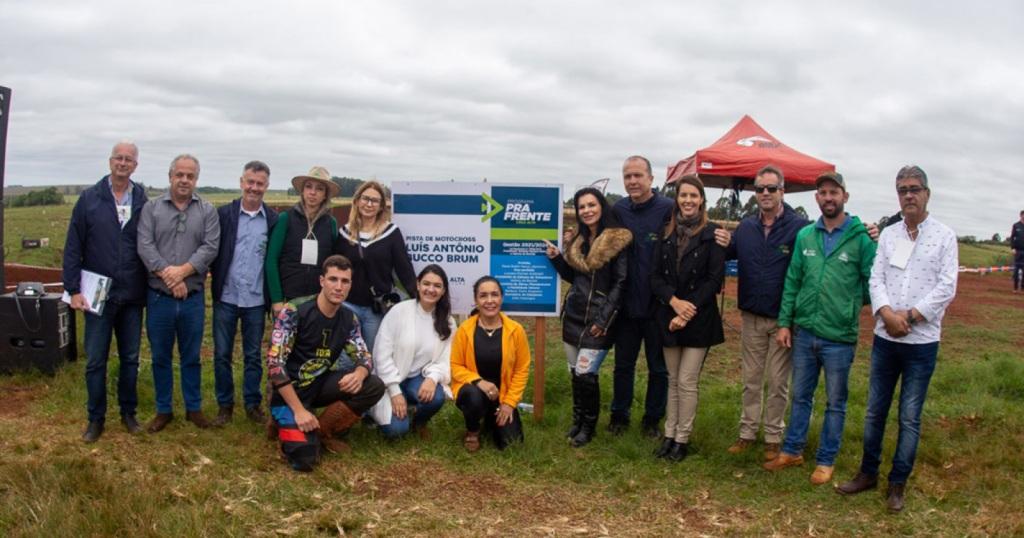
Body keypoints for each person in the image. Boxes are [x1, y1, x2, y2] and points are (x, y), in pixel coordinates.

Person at [837, 165, 958, 512]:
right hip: (885, 338)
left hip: (921, 343)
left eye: (914, 189)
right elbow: (875, 279)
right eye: (902, 189)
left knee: (909, 416)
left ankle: (897, 483)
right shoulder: (889, 235)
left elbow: (946, 286)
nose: (908, 195)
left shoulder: (944, 236)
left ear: (927, 194)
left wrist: (911, 316)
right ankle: (868, 473)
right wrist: (887, 314)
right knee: (875, 411)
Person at [763, 171, 876, 485]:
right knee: (800, 396)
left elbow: (872, 283)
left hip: (839, 337)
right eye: (823, 193)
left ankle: (826, 459)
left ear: (845, 197)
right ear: (817, 198)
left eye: (834, 192)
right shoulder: (806, 237)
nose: (828, 198)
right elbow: (793, 282)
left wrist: (849, 304)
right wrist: (785, 322)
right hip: (805, 332)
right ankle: (792, 450)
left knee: (835, 402)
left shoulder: (861, 239)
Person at [714, 166, 810, 462]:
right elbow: (725, 255)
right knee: (751, 379)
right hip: (752, 316)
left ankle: (772, 436)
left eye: (771, 188)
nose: (765, 194)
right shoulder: (745, 227)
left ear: (782, 191)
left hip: (783, 320)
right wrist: (717, 240)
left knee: (778, 381)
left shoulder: (799, 228)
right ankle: (746, 433)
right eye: (760, 189)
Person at [266, 255, 386, 472]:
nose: (338, 287)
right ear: (322, 281)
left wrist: (359, 374)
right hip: (288, 392)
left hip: (318, 384)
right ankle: (282, 423)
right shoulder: (294, 311)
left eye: (345, 281)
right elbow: (275, 366)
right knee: (305, 460)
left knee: (373, 385)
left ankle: (323, 431)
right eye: (333, 279)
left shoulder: (349, 319)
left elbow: (364, 357)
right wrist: (299, 410)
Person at [63, 140, 149, 442]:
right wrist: (72, 289)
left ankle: (128, 413)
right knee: (96, 360)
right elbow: (73, 246)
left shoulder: (142, 199)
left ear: (135, 166)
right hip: (98, 295)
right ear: (110, 161)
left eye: (129, 159)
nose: (123, 163)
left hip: (132, 294)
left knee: (130, 358)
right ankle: (95, 419)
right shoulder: (89, 199)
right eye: (118, 158)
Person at [136, 154, 220, 432]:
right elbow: (145, 246)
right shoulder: (152, 208)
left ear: (197, 179)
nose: (184, 180)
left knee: (191, 356)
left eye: (190, 176)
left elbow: (210, 248)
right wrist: (171, 278)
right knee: (160, 356)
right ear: (170, 176)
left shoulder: (207, 211)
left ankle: (193, 408)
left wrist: (182, 272)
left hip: (192, 299)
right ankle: (163, 410)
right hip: (159, 298)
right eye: (179, 175)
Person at [545, 187, 632, 447]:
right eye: (582, 207)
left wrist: (603, 320)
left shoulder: (618, 240)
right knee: (575, 373)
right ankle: (578, 421)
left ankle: (589, 427)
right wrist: (558, 259)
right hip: (573, 315)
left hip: (599, 319)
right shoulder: (578, 241)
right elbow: (575, 278)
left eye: (591, 205)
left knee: (586, 372)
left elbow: (621, 283)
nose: (587, 210)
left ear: (602, 206)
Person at [649, 175, 726, 461]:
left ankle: (682, 439)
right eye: (683, 196)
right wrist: (674, 302)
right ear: (676, 199)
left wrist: (687, 310)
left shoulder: (714, 234)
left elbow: (714, 279)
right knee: (672, 380)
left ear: (702, 200)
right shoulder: (665, 232)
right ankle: (669, 435)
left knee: (687, 380)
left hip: (699, 318)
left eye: (694, 196)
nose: (688, 201)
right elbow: (654, 276)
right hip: (669, 313)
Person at [608, 155, 675, 437]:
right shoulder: (619, 210)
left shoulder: (668, 209)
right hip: (626, 305)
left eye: (637, 175)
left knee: (658, 368)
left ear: (651, 178)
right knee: (623, 365)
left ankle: (651, 420)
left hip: (658, 305)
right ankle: (619, 417)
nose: (632, 181)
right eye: (627, 176)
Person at [210, 161, 279, 425]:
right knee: (221, 354)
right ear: (241, 182)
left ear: (267, 186)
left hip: (255, 300)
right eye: (250, 182)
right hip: (226, 297)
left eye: (260, 183)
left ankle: (252, 404)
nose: (254, 188)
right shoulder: (224, 215)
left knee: (253, 356)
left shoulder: (272, 220)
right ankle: (224, 405)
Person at [368, 264, 455, 439]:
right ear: (417, 285)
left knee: (436, 398)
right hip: (390, 379)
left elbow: (445, 359)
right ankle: (380, 413)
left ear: (444, 291)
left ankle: (419, 421)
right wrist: (394, 391)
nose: (431, 289)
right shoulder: (399, 311)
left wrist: (433, 378)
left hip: (417, 379)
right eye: (426, 283)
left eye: (437, 286)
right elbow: (381, 354)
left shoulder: (448, 322)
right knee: (397, 431)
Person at [450, 276, 531, 452]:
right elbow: (455, 366)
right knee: (473, 396)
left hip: (502, 396)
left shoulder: (516, 331)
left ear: (501, 297)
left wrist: (509, 403)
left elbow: (521, 370)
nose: (489, 301)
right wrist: (479, 381)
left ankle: (490, 418)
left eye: (494, 295)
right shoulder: (465, 330)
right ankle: (472, 430)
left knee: (511, 445)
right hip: (474, 392)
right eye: (483, 295)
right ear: (476, 300)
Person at [337, 181, 417, 351]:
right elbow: (335, 269)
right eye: (365, 198)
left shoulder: (391, 233)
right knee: (346, 357)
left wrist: (419, 299)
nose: (369, 204)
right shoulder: (344, 233)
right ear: (357, 201)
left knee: (372, 356)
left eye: (375, 201)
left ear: (381, 206)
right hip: (348, 305)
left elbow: (404, 269)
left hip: (376, 308)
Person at [265, 166, 340, 315]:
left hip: (319, 299)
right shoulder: (285, 219)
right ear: (302, 191)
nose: (313, 192)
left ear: (325, 195)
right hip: (288, 298)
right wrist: (277, 299)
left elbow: (333, 262)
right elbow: (271, 260)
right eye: (308, 187)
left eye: (319, 189)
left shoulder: (330, 224)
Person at [1011, 210, 1024, 292]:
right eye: (1023, 215)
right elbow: (1012, 237)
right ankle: (1015, 288)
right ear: (1021, 215)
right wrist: (1013, 248)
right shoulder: (1016, 225)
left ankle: (1023, 288)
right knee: (1016, 271)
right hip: (1018, 251)